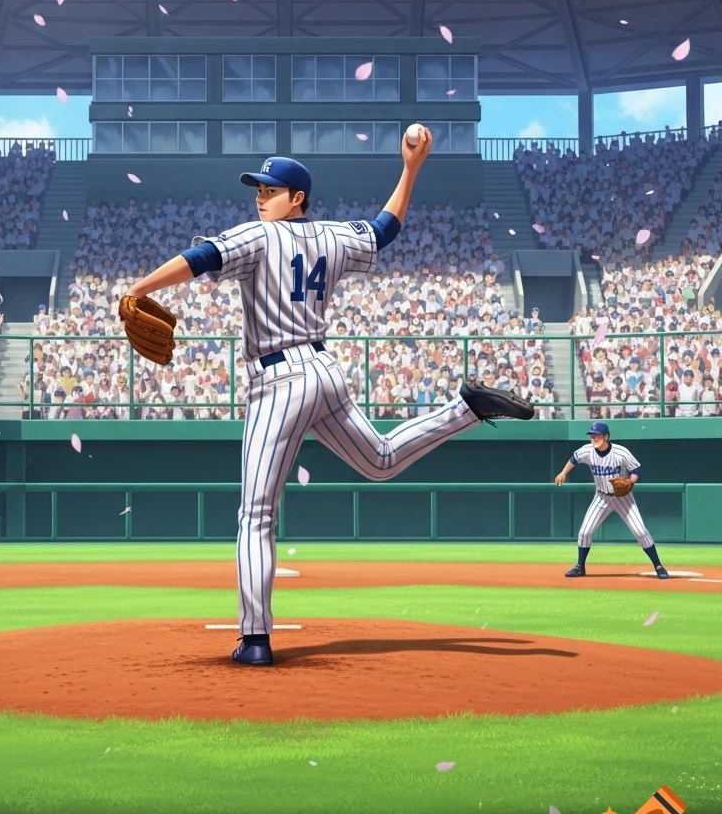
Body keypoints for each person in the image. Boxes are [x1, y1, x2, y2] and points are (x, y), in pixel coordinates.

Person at [122, 135, 535, 668]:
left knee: (255, 515)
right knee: (381, 460)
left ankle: (254, 639)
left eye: (272, 189)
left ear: (297, 198)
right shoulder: (334, 237)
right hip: (323, 371)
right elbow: (385, 229)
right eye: (258, 188)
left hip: (278, 381)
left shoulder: (258, 236)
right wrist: (411, 169)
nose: (260, 196)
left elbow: (200, 259)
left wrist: (138, 286)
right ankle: (468, 410)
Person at [553, 421, 669, 579]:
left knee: (640, 531)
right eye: (592, 436)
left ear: (606, 436)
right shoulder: (587, 451)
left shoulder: (621, 452)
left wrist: (631, 482)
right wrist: (563, 473)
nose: (594, 438)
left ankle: (658, 565)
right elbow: (573, 459)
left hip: (623, 498)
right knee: (585, 532)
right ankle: (580, 566)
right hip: (601, 497)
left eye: (597, 435)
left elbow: (636, 470)